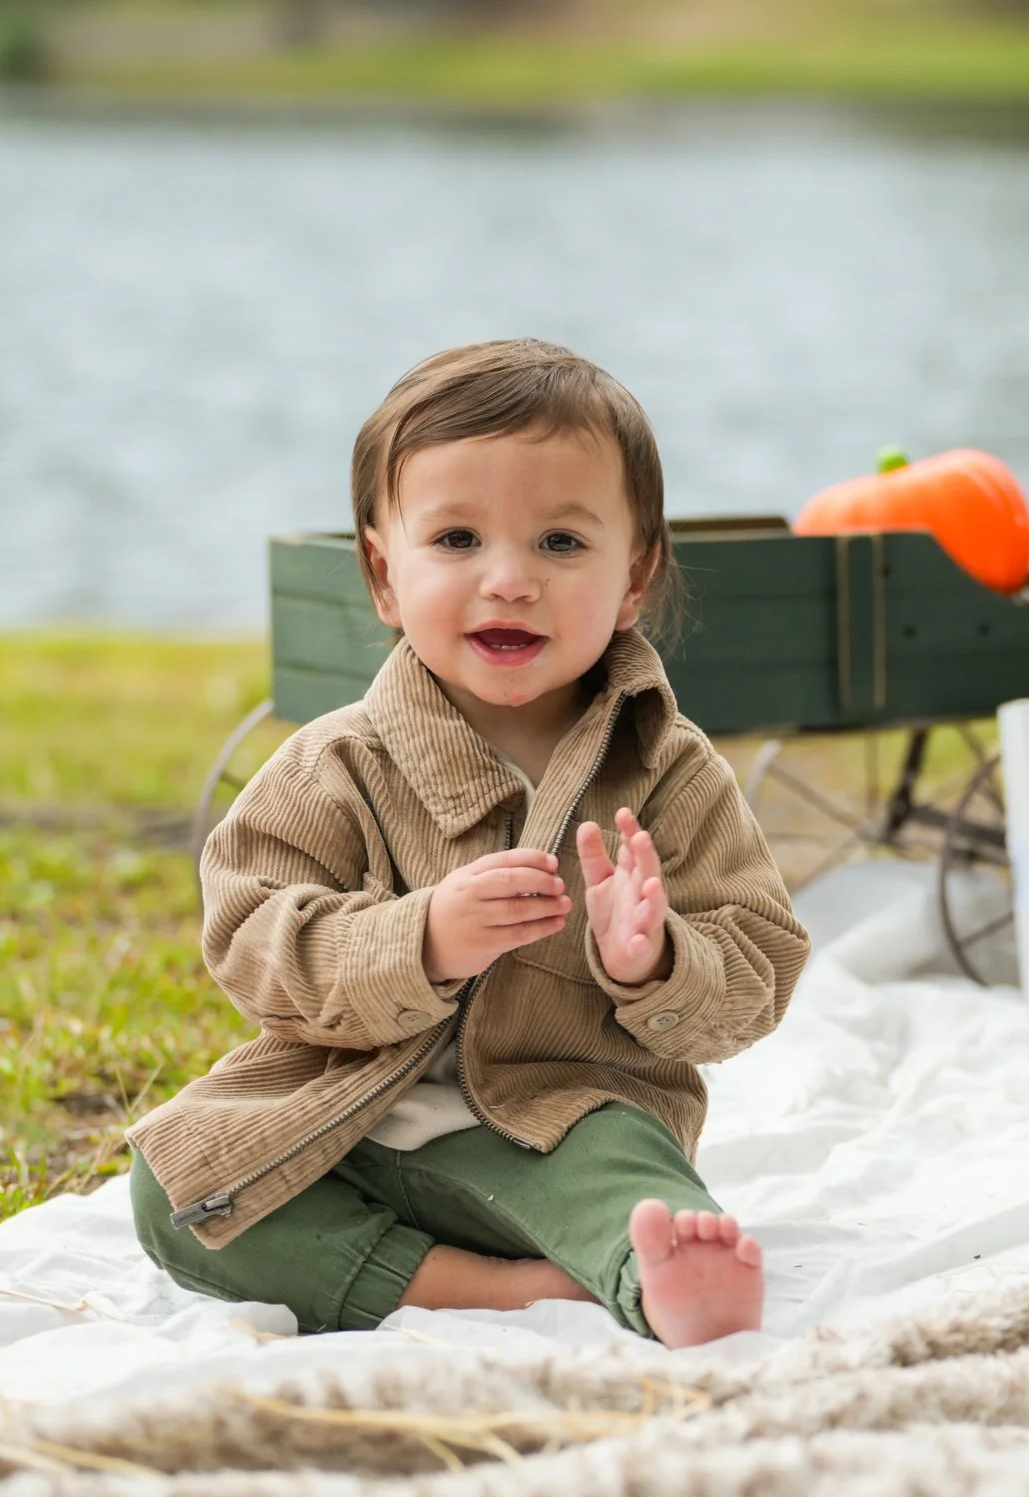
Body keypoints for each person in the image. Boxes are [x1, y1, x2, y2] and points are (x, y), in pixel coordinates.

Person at [126, 339, 808, 1347]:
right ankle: (490, 1290)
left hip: (561, 1120)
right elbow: (251, 935)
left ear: (634, 578)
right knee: (180, 1191)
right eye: (454, 539)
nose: (507, 580)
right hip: (342, 1114)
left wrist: (658, 959)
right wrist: (423, 937)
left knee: (625, 1171)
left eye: (561, 544)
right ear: (382, 575)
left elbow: (758, 957)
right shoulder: (336, 765)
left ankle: (646, 1272)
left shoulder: (668, 771)